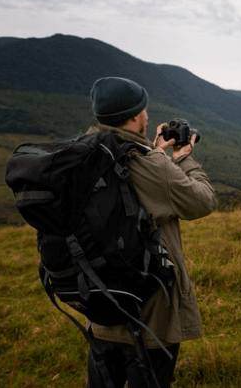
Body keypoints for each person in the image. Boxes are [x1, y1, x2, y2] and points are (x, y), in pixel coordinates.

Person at [85, 76, 217, 387]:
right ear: (134, 117)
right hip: (150, 314)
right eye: (143, 110)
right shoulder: (147, 163)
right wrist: (182, 160)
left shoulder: (85, 152)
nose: (147, 116)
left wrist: (153, 149)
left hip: (101, 305)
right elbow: (203, 201)